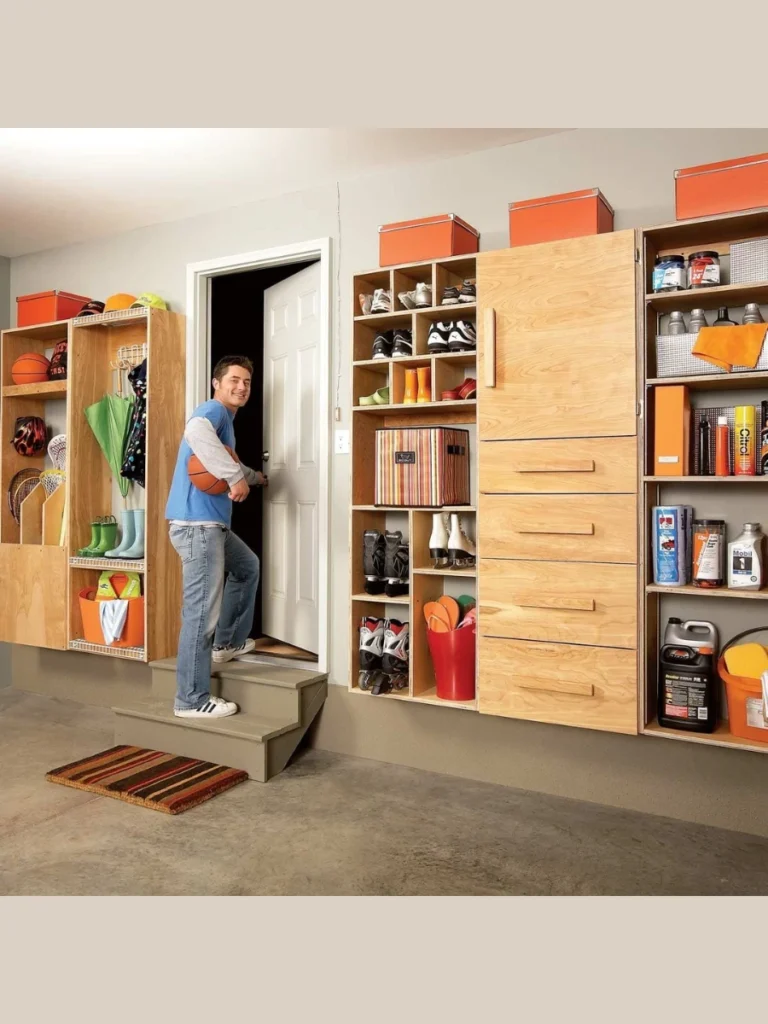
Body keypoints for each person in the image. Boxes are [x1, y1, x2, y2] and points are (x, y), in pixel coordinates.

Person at [165, 355, 267, 719]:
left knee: (247, 566)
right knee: (200, 613)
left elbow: (225, 462)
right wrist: (236, 479)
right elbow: (196, 432)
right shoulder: (213, 411)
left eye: (246, 382)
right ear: (216, 383)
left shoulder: (226, 422)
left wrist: (255, 477)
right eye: (234, 380)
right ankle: (190, 699)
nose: (241, 387)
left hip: (209, 527)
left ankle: (226, 643)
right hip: (198, 528)